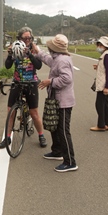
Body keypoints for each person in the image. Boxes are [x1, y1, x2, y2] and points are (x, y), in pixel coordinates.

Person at [0, 26, 47, 149]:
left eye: (29, 38)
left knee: (34, 112)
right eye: (25, 38)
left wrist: (30, 54)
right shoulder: (15, 48)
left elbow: (39, 65)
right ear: (19, 38)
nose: (27, 40)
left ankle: (41, 135)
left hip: (31, 83)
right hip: (17, 83)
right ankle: (7, 137)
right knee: (11, 111)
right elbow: (8, 66)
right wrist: (9, 55)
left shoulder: (35, 49)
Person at [37, 34, 78, 172]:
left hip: (64, 102)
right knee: (55, 126)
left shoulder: (62, 61)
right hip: (57, 99)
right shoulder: (58, 58)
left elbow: (67, 79)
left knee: (63, 131)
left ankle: (70, 161)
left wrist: (50, 82)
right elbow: (48, 59)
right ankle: (57, 151)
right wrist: (37, 52)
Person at [90, 36, 108, 131]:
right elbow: (105, 69)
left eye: (100, 45)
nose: (98, 46)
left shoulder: (106, 55)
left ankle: (101, 125)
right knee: (105, 104)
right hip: (104, 84)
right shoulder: (107, 54)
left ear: (105, 46)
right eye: (98, 44)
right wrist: (98, 67)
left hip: (104, 85)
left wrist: (106, 87)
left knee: (99, 104)